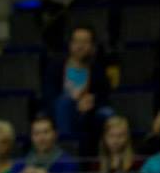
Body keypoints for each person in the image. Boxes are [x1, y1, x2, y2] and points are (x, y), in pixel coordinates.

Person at [43, 24, 113, 154]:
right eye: (76, 41)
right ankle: (66, 150)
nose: (80, 46)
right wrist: (74, 101)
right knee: (64, 102)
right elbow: (49, 96)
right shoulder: (56, 67)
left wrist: (92, 102)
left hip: (88, 114)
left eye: (85, 42)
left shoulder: (97, 70)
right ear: (70, 45)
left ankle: (102, 155)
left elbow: (104, 96)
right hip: (62, 113)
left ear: (92, 47)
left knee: (107, 113)